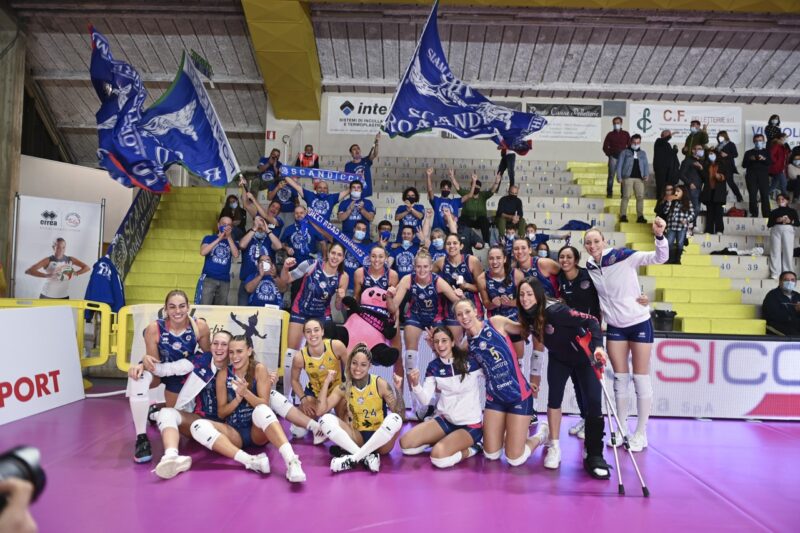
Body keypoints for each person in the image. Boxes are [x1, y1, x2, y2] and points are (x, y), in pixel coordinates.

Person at [583, 218, 667, 452]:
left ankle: (640, 433)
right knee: (620, 379)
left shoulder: (622, 256)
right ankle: (621, 430)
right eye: (588, 243)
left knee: (640, 378)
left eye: (596, 241)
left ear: (604, 241)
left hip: (638, 321)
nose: (592, 245)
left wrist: (659, 237)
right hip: (615, 326)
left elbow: (659, 258)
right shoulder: (590, 266)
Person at [516, 277, 611, 479]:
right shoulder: (526, 316)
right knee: (554, 400)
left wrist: (598, 347)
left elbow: (592, 320)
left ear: (538, 295)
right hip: (559, 358)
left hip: (584, 357)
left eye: (529, 294)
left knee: (594, 403)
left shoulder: (555, 311)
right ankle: (554, 446)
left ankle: (594, 454)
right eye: (521, 294)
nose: (525, 298)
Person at [190, 335, 306, 482]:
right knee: (197, 426)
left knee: (262, 410)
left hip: (257, 430)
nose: (234, 356)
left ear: (249, 351)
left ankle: (292, 462)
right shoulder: (224, 373)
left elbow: (264, 404)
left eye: (239, 351)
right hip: (234, 432)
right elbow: (221, 413)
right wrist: (237, 400)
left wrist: (246, 393)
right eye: (231, 352)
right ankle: (251, 461)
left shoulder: (259, 369)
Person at [455, 298, 549, 467]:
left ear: (476, 311)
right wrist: (434, 346)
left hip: (518, 395)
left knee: (515, 459)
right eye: (459, 314)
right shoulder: (465, 345)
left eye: (467, 312)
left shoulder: (496, 322)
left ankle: (542, 434)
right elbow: (451, 362)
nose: (464, 317)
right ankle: (513, 435)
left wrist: (533, 310)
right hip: (495, 399)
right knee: (491, 455)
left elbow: (524, 329)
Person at [127, 290, 211, 463]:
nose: (177, 311)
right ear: (165, 309)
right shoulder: (154, 328)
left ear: (188, 307)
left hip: (180, 374)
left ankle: (154, 413)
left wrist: (189, 364)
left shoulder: (199, 326)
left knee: (176, 421)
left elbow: (209, 355)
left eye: (181, 306)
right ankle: (141, 439)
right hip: (159, 369)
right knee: (137, 380)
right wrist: (144, 362)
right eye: (172, 307)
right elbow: (154, 364)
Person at [386, 251, 463, 416]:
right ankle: (416, 405)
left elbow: (458, 301)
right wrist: (389, 297)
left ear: (430, 267)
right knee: (409, 358)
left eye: (425, 267)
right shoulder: (408, 279)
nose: (422, 270)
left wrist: (460, 295)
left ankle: (438, 403)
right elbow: (394, 307)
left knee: (442, 357)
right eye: (419, 267)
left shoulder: (438, 281)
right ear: (414, 267)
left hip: (436, 318)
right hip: (415, 316)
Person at [152, 330, 232, 479]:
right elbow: (170, 369)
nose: (219, 348)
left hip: (227, 426)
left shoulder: (237, 365)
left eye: (224, 344)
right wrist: (144, 365)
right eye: (215, 343)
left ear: (230, 348)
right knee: (166, 412)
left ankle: (154, 414)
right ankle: (171, 457)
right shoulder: (201, 360)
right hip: (198, 421)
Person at [399, 326, 484, 468]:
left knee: (438, 457)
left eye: (444, 340)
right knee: (405, 445)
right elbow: (425, 400)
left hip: (470, 425)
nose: (440, 345)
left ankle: (475, 447)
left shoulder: (471, 362)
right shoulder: (434, 366)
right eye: (437, 341)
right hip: (446, 420)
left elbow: (492, 378)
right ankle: (445, 439)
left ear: (452, 342)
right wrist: (415, 384)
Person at [317, 344, 405, 473]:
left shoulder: (380, 383)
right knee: (325, 420)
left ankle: (354, 458)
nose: (358, 368)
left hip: (381, 440)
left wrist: (398, 390)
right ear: (350, 363)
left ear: (369, 366)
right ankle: (366, 457)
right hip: (357, 438)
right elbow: (320, 411)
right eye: (354, 363)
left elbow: (401, 415)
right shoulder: (344, 387)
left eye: (363, 365)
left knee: (395, 418)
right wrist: (326, 382)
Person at [280, 244, 348, 396]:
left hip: (322, 315)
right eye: (333, 253)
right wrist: (285, 267)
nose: (335, 257)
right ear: (328, 253)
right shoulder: (311, 265)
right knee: (290, 354)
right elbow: (287, 279)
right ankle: (287, 396)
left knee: (329, 355)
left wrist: (340, 298)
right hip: (301, 311)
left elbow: (338, 307)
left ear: (343, 258)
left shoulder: (343, 276)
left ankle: (327, 395)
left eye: (339, 255)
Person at [290, 317, 347, 419]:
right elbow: (294, 380)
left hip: (337, 389)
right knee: (302, 420)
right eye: (308, 331)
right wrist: (304, 400)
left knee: (346, 416)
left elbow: (350, 371)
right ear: (304, 335)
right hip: (316, 391)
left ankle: (332, 413)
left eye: (316, 330)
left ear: (322, 332)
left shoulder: (336, 346)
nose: (312, 334)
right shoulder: (299, 357)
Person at [433, 233, 484, 341]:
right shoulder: (440, 262)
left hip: (472, 306)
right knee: (456, 345)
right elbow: (428, 278)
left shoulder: (472, 260)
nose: (451, 246)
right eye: (448, 243)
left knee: (477, 342)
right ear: (445, 246)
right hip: (451, 308)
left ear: (461, 246)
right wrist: (444, 290)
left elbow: (482, 288)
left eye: (455, 243)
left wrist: (466, 285)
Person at [477, 245, 525, 357]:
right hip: (496, 324)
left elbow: (525, 300)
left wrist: (510, 303)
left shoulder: (516, 275)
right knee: (501, 358)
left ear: (504, 259)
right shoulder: (482, 278)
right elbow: (486, 304)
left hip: (515, 321)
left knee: (519, 358)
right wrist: (493, 304)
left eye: (498, 258)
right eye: (491, 258)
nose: (494, 262)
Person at [237, 216, 282, 306]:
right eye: (258, 224)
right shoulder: (248, 237)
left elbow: (279, 246)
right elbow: (241, 245)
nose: (260, 227)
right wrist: (254, 228)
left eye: (262, 224)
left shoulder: (269, 238)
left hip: (266, 280)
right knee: (243, 311)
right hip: (247, 280)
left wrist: (267, 230)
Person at [196, 216, 239, 305]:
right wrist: (219, 238)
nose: (226, 227)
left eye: (229, 225)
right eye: (224, 224)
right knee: (204, 306)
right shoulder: (209, 238)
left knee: (220, 309)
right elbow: (203, 252)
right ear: (218, 225)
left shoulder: (232, 242)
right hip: (209, 278)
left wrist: (228, 237)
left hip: (225, 280)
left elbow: (236, 255)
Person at [457, 173, 502, 242]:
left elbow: (492, 191)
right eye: (474, 186)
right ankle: (461, 240)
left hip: (479, 221)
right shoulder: (467, 193)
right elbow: (458, 188)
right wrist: (452, 177)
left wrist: (496, 182)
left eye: (477, 187)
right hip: (468, 219)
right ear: (471, 186)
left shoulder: (483, 195)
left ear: (480, 188)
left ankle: (486, 242)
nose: (476, 188)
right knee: (461, 219)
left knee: (484, 220)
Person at [617, 134, 650, 224]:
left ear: (640, 142)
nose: (636, 144)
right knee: (626, 196)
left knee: (640, 197)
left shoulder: (643, 153)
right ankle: (623, 215)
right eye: (634, 142)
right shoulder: (624, 152)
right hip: (627, 178)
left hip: (640, 179)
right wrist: (619, 177)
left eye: (638, 142)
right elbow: (619, 165)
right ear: (631, 142)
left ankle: (640, 216)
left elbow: (646, 165)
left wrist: (646, 175)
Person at [767, 194, 800, 279]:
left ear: (787, 200)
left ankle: (788, 272)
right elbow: (769, 224)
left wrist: (790, 221)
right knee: (775, 251)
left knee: (788, 251)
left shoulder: (792, 211)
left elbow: (797, 223)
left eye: (783, 199)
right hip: (776, 230)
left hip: (788, 230)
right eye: (778, 199)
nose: (780, 201)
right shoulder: (774, 212)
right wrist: (776, 220)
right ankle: (775, 273)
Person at [663, 185, 695, 264]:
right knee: (668, 242)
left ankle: (677, 259)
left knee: (680, 243)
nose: (676, 193)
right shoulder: (672, 201)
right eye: (675, 191)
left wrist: (686, 220)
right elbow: (665, 211)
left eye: (678, 191)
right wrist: (669, 202)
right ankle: (669, 259)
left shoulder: (688, 202)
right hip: (671, 226)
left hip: (682, 227)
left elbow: (692, 214)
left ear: (683, 193)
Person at [743, 134, 772, 218]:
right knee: (752, 195)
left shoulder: (767, 152)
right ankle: (754, 214)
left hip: (763, 176)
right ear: (753, 141)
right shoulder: (748, 152)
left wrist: (764, 159)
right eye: (756, 141)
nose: (758, 142)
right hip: (751, 176)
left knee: (765, 196)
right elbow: (744, 165)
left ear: (763, 141)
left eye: (760, 140)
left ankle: (767, 215)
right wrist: (750, 159)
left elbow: (770, 163)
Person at [602, 116, 630, 198]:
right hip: (613, 158)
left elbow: (629, 146)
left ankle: (623, 194)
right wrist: (609, 154)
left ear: (621, 123)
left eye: (618, 123)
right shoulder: (610, 134)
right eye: (614, 123)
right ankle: (609, 193)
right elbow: (605, 147)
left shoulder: (626, 134)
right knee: (611, 175)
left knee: (623, 176)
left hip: (623, 158)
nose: (616, 124)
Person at [345, 134, 380, 199]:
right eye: (354, 149)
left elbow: (375, 154)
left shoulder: (366, 160)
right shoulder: (348, 165)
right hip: (355, 195)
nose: (357, 150)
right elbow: (347, 181)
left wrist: (377, 142)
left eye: (358, 148)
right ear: (351, 153)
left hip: (367, 194)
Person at [701, 148, 727, 235]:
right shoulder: (706, 165)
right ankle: (709, 230)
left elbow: (726, 175)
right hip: (709, 191)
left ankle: (719, 230)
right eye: (709, 154)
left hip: (719, 192)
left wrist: (720, 176)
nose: (710, 155)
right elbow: (704, 178)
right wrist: (701, 169)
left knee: (719, 212)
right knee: (710, 212)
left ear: (716, 154)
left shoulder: (722, 164)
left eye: (712, 153)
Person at [679, 144, 704, 227]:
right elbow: (681, 174)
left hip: (700, 188)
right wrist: (689, 183)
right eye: (699, 148)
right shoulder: (687, 161)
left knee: (697, 208)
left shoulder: (702, 162)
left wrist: (701, 168)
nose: (701, 150)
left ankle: (692, 224)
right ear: (693, 150)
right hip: (691, 188)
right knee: (695, 208)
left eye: (701, 149)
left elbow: (704, 176)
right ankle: (690, 224)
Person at [716, 130, 744, 202]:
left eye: (721, 136)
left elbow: (735, 154)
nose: (719, 138)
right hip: (720, 166)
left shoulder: (731, 144)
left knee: (730, 182)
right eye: (718, 137)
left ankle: (739, 196)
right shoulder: (718, 146)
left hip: (728, 166)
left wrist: (727, 155)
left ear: (725, 136)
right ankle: (722, 197)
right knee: (721, 182)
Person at [652, 129, 680, 201]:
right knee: (661, 187)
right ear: (663, 135)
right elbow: (663, 140)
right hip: (660, 169)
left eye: (669, 134)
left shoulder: (668, 145)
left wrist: (675, 150)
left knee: (668, 187)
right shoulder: (658, 141)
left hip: (669, 170)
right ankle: (660, 201)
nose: (669, 135)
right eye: (667, 134)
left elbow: (670, 155)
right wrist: (670, 135)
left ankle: (668, 201)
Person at [769, 133, 790, 197]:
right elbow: (771, 155)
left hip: (782, 168)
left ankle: (763, 196)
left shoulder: (783, 146)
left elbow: (785, 156)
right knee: (784, 185)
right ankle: (785, 200)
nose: (786, 139)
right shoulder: (776, 145)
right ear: (781, 138)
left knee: (773, 185)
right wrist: (776, 162)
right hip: (778, 168)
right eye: (785, 137)